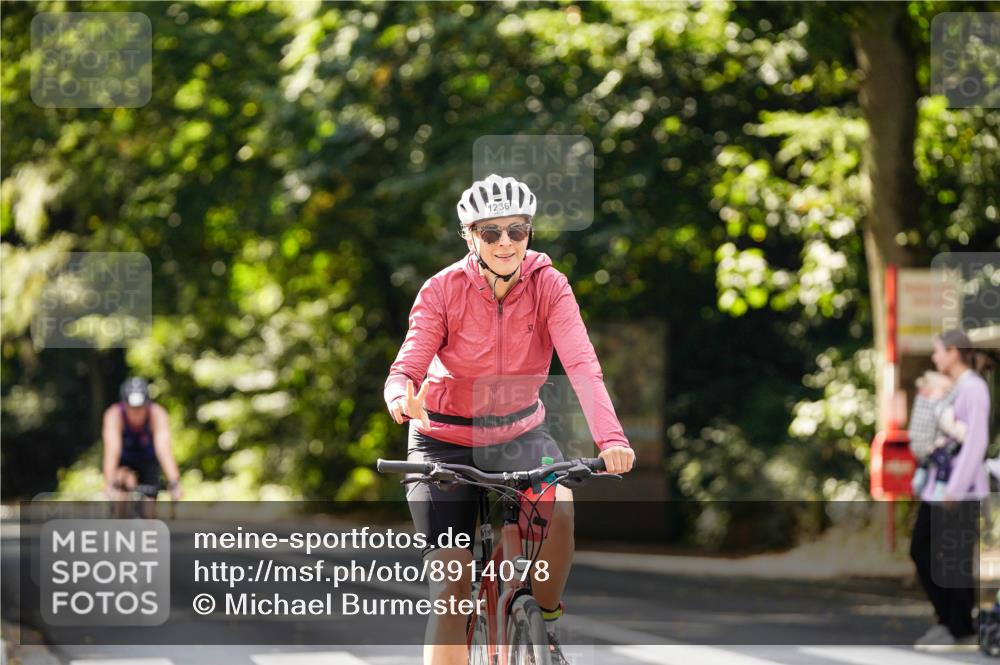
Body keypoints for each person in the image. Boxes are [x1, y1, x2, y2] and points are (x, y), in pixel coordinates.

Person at [384, 174, 635, 665]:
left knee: (558, 510)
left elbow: (582, 364)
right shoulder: (442, 290)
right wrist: (400, 397)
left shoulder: (549, 285)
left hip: (521, 432)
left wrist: (611, 440)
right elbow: (406, 367)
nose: (505, 243)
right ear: (470, 237)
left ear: (530, 234)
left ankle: (543, 627)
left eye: (516, 231)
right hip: (442, 441)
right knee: (453, 586)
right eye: (490, 232)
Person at [910, 329, 992, 650]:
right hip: (939, 488)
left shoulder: (973, 387)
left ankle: (961, 629)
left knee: (953, 561)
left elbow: (975, 441)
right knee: (922, 551)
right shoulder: (954, 387)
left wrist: (956, 489)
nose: (934, 358)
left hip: (961, 491)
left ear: (954, 351)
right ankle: (949, 622)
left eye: (938, 351)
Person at [102, 377, 182, 510]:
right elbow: (112, 450)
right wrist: (109, 483)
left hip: (148, 460)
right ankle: (119, 525)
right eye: (132, 409)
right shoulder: (114, 415)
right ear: (124, 405)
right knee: (121, 494)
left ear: (147, 405)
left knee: (150, 508)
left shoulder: (157, 414)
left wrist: (174, 482)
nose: (136, 414)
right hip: (124, 460)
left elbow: (164, 450)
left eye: (140, 408)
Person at [908, 370, 967, 499]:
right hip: (930, 445)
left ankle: (920, 473)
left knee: (925, 458)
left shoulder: (921, 402)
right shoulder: (938, 406)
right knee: (943, 461)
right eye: (945, 391)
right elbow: (949, 424)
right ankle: (940, 488)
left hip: (916, 444)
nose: (946, 395)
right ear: (931, 390)